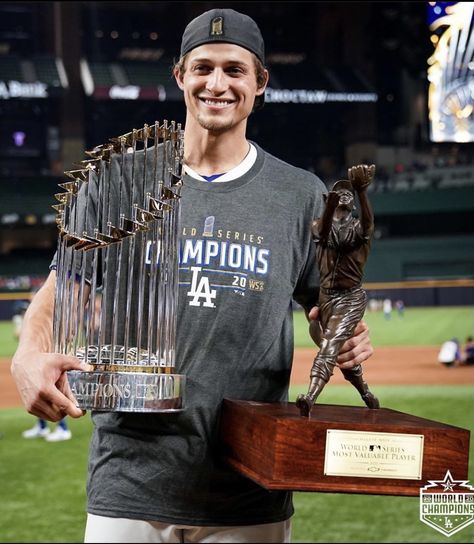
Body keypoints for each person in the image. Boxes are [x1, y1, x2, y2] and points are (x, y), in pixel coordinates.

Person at [11, 8, 374, 543]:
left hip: (247, 484)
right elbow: (65, 284)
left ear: (260, 83)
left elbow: (325, 307)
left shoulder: (301, 195)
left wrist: (341, 335)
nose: (217, 84)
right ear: (180, 76)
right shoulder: (119, 180)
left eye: (235, 70)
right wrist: (27, 354)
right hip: (129, 477)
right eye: (203, 68)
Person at [296, 166, 379, 416]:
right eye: (338, 193)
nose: (343, 195)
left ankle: (309, 397)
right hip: (326, 296)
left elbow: (367, 226)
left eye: (347, 194)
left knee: (329, 344)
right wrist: (328, 205)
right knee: (341, 353)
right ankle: (365, 391)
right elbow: (322, 231)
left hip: (350, 297)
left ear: (353, 202)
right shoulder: (318, 226)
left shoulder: (356, 229)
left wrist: (362, 191)